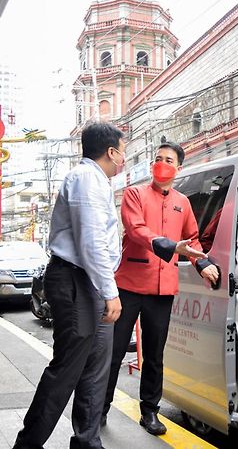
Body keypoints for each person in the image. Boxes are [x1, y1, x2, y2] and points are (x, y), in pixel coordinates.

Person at [13, 122, 125, 449]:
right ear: (111, 151)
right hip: (77, 280)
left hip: (90, 282)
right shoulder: (86, 180)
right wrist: (110, 291)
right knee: (66, 370)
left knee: (95, 370)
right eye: (123, 150)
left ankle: (88, 443)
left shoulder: (97, 181)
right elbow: (90, 242)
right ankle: (27, 444)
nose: (124, 157)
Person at [102, 141, 219, 435]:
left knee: (154, 355)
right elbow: (136, 229)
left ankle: (150, 412)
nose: (161, 163)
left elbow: (192, 239)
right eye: (158, 158)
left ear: (178, 167)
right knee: (113, 352)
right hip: (128, 285)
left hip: (162, 290)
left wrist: (203, 263)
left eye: (168, 160)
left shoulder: (183, 201)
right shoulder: (135, 193)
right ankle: (99, 407)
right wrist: (167, 245)